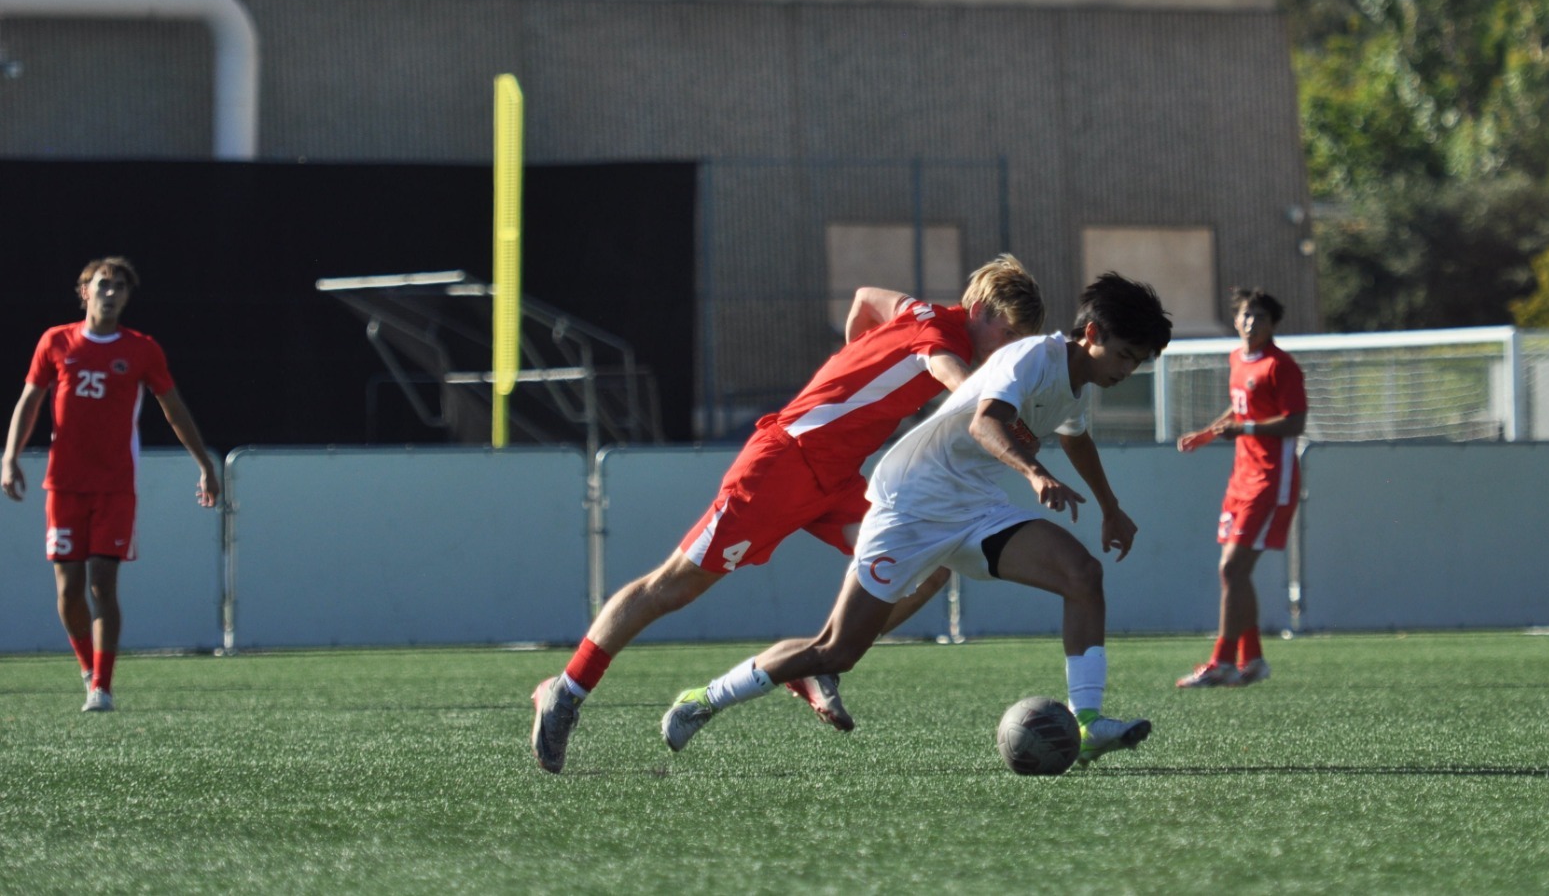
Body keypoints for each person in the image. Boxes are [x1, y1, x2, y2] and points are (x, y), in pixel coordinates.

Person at [531, 254, 1045, 773]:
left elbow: (866, 296)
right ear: (978, 309)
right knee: (675, 586)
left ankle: (815, 663)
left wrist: (853, 361)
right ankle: (567, 688)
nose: (1003, 351)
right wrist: (997, 409)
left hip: (837, 476)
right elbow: (951, 374)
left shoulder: (917, 310)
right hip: (784, 464)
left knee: (928, 569)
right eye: (1005, 335)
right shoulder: (948, 339)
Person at [660, 272, 1174, 767]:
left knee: (1082, 575)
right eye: (1125, 355)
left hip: (973, 505)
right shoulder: (1031, 357)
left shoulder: (1078, 386)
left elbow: (1075, 436)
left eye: (1138, 360)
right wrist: (1036, 475)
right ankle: (706, 698)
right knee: (834, 651)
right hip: (909, 503)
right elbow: (984, 422)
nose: (1127, 369)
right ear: (1091, 335)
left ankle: (1087, 724)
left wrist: (1111, 508)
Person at [2, 257, 220, 713]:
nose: (111, 292)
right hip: (63, 485)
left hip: (114, 486)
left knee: (103, 582)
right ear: (84, 291)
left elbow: (173, 409)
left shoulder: (141, 349)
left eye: (120, 286)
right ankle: (87, 668)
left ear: (126, 296)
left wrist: (204, 463)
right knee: (67, 591)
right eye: (103, 284)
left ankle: (102, 685)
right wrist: (10, 457)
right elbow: (29, 401)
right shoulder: (56, 341)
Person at [1174, 287, 1307, 688]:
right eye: (1246, 316)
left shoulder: (1281, 366)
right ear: (1235, 321)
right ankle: (1252, 660)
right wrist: (1210, 433)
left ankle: (1223, 662)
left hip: (1271, 478)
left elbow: (1294, 421)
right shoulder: (1237, 359)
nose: (1251, 323)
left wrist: (1244, 429)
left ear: (1272, 325)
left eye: (1260, 317)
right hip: (1241, 477)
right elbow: (1241, 407)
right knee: (1236, 573)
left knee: (1232, 568)